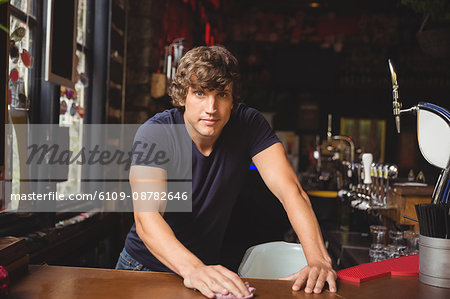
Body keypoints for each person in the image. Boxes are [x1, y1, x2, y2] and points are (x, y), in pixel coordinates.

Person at [116, 45, 337, 298]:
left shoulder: (249, 124)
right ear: (182, 96)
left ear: (233, 100)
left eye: (221, 94)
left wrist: (318, 260)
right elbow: (147, 219)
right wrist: (195, 270)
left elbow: (291, 192)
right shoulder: (155, 133)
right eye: (200, 93)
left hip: (206, 271)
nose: (211, 107)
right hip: (146, 268)